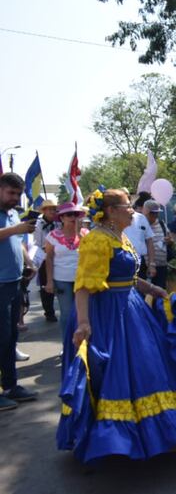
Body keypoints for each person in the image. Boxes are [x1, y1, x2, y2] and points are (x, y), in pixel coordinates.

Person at [57, 188, 176, 462]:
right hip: (106, 314)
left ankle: (163, 431)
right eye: (126, 206)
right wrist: (83, 323)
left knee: (149, 368)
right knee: (117, 373)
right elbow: (83, 286)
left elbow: (129, 278)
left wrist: (154, 289)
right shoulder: (96, 240)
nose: (132, 210)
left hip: (130, 308)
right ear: (110, 212)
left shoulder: (119, 237)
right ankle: (116, 439)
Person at [0, 173, 38, 411]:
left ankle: (11, 386)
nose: (14, 198)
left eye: (17, 194)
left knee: (10, 338)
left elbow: (20, 243)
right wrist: (16, 229)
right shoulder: (13, 222)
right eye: (10, 193)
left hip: (14, 283)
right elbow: (12, 234)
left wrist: (29, 263)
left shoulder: (13, 214)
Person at [44, 203, 87, 342]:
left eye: (75, 214)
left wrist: (80, 234)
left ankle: (83, 343)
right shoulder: (52, 235)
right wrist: (49, 281)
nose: (73, 217)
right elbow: (49, 258)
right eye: (69, 214)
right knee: (67, 314)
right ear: (61, 218)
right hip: (62, 280)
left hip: (83, 279)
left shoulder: (86, 234)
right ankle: (67, 343)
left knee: (83, 314)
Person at [33, 199, 59, 323]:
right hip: (44, 256)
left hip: (58, 256)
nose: (52, 211)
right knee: (46, 285)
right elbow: (36, 243)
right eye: (50, 209)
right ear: (44, 211)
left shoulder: (59, 223)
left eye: (54, 209)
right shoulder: (37, 224)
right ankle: (49, 312)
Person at [144, 200, 173, 289]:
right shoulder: (141, 225)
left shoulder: (161, 224)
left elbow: (171, 239)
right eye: (152, 213)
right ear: (146, 212)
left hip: (162, 265)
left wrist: (169, 241)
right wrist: (150, 265)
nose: (154, 216)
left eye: (156, 213)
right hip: (146, 266)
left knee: (160, 292)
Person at [123, 198, 155, 280]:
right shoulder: (114, 220)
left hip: (140, 261)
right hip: (122, 260)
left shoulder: (141, 218)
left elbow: (149, 241)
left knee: (141, 290)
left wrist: (151, 264)